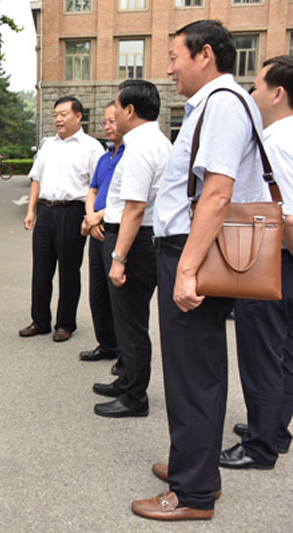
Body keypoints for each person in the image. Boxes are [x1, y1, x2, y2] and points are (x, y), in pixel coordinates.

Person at [131, 20, 270, 521]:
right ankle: (197, 468)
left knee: (193, 374)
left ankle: (192, 494)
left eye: (174, 57)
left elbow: (216, 193)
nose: (169, 69)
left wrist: (187, 269)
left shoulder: (223, 104)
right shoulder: (216, 104)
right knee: (196, 369)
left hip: (192, 252)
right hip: (189, 248)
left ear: (204, 54)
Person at [219, 55, 293, 470]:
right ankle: (274, 429)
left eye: (258, 86)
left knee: (262, 355)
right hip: (284, 260)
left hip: (274, 259)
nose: (252, 93)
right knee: (286, 353)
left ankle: (259, 445)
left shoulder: (274, 142)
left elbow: (287, 215)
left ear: (278, 93)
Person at [92, 80, 171, 419]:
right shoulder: (157, 142)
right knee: (130, 318)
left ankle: (134, 396)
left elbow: (135, 208)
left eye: (116, 105)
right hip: (141, 237)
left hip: (133, 241)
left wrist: (118, 258)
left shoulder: (140, 147)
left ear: (129, 110)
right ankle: (126, 380)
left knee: (131, 322)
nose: (112, 113)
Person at [20, 96, 104, 342]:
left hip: (73, 212)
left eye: (64, 114)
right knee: (41, 270)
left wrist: (92, 217)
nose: (58, 119)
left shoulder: (91, 147)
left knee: (69, 271)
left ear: (78, 116)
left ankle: (65, 323)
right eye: (56, 114)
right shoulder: (48, 146)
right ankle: (40, 321)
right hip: (46, 212)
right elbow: (36, 179)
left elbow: (98, 186)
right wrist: (30, 211)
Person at [79, 102, 123, 363]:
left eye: (112, 121)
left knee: (118, 295)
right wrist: (91, 217)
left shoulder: (132, 155)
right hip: (96, 230)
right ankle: (106, 344)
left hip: (117, 230)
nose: (107, 126)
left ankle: (124, 354)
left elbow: (132, 199)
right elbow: (92, 190)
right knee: (98, 293)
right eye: (104, 122)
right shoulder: (105, 158)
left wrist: (99, 216)